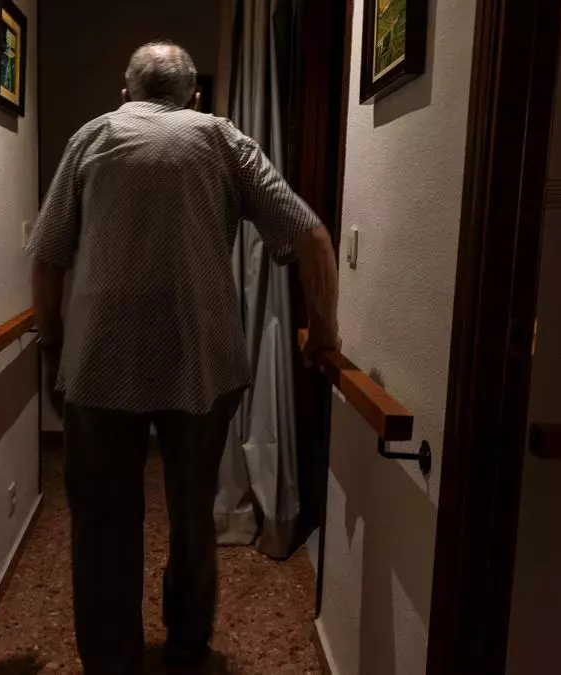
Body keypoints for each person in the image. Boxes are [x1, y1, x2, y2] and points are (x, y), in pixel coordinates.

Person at [26, 41, 339, 674]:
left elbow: (47, 255)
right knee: (193, 512)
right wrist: (323, 334)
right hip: (201, 360)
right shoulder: (222, 138)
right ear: (194, 96)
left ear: (126, 93)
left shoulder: (92, 137)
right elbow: (310, 236)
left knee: (102, 520)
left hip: (101, 360)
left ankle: (110, 660)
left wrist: (53, 347)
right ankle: (188, 647)